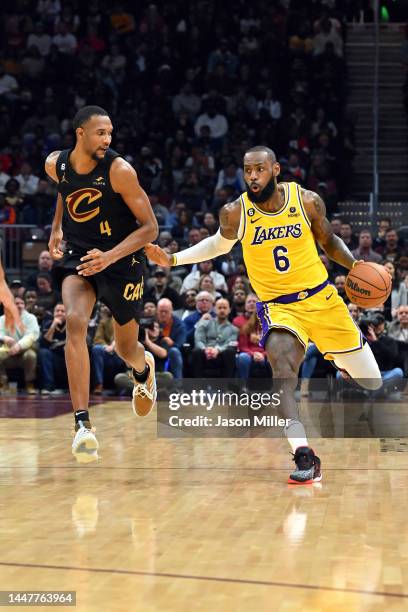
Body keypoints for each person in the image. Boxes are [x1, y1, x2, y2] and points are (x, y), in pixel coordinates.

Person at [146, 145, 383, 484]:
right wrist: (173, 259)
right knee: (282, 371)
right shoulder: (236, 212)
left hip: (323, 299)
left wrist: (357, 266)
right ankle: (304, 455)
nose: (252, 176)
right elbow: (217, 244)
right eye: (247, 170)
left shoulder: (306, 201)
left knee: (371, 381)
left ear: (275, 170)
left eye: (259, 169)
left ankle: (343, 363)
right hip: (280, 306)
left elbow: (329, 242)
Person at [45, 105, 158, 464]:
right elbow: (65, 190)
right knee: (75, 323)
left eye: (110, 133)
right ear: (80, 133)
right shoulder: (55, 164)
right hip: (81, 257)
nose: (107, 140)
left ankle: (143, 370)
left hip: (123, 262)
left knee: (126, 348)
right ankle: (82, 424)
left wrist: (109, 257)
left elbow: (150, 228)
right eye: (100, 133)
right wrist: (56, 227)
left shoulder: (120, 170)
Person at [0, 295, 40, 394]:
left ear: (25, 306)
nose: (19, 305)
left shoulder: (31, 318)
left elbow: (31, 336)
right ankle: (2, 384)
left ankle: (29, 384)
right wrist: (4, 337)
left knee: (31, 355)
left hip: (24, 351)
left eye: (22, 303)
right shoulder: (3, 318)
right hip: (8, 351)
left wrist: (19, 346)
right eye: (16, 303)